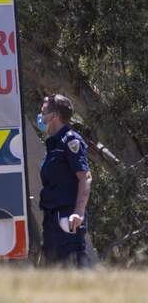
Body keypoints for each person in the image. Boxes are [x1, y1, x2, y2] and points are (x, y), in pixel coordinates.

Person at [36, 94, 92, 268]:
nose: (40, 116)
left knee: (74, 266)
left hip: (67, 217)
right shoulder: (53, 143)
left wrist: (79, 212)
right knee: (54, 269)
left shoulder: (70, 141)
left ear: (54, 116)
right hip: (52, 217)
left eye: (43, 111)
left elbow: (85, 177)